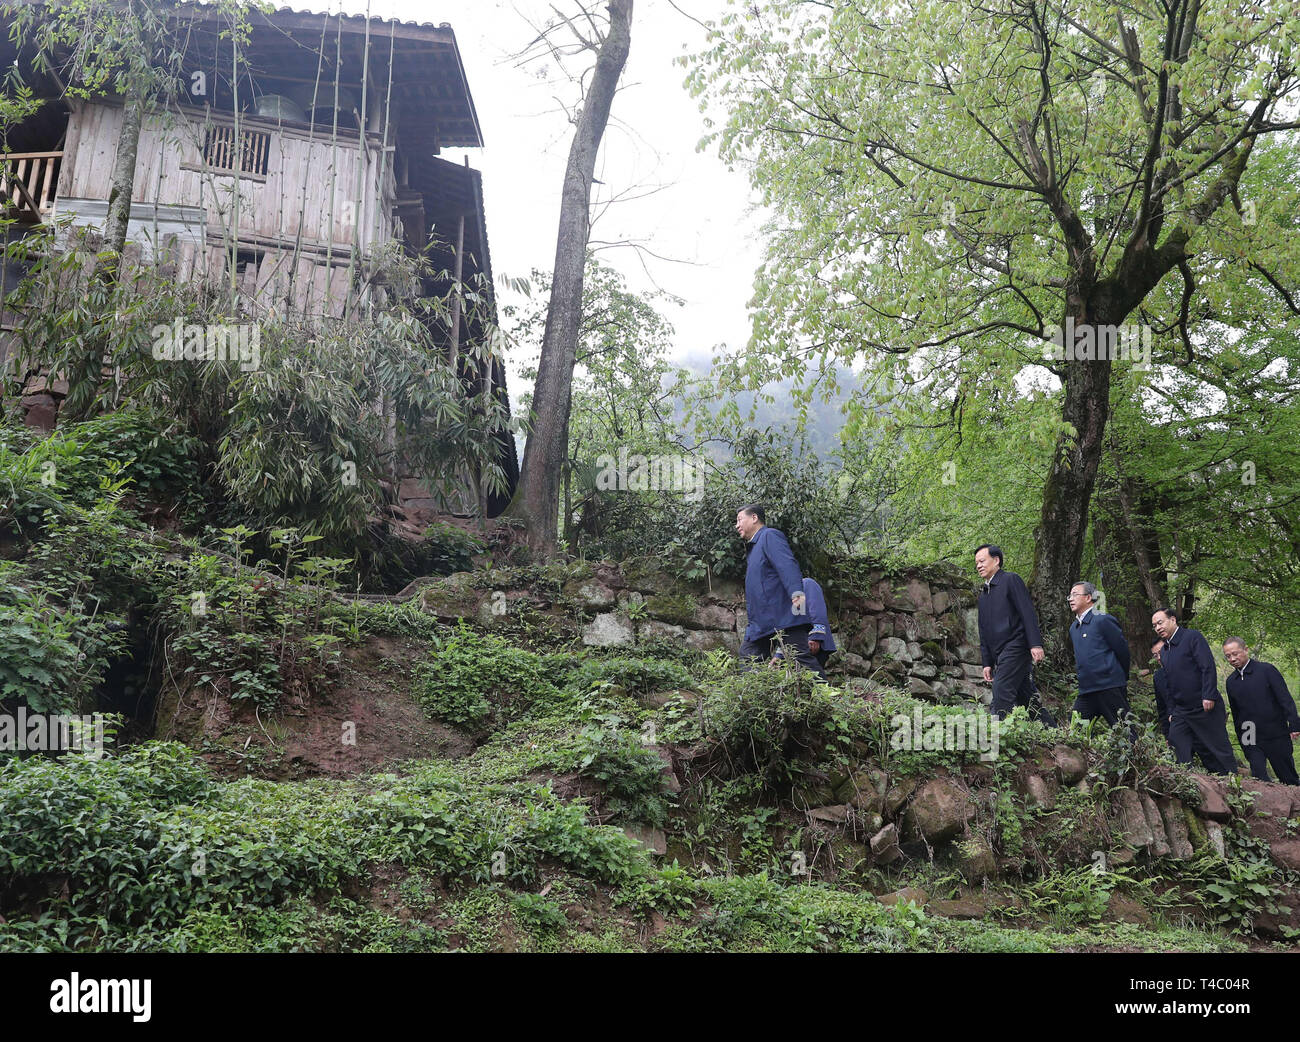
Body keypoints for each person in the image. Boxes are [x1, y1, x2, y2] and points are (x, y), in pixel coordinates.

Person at [975, 544, 1056, 725]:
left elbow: (1027, 612)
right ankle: (1053, 731)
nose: (978, 566)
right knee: (1026, 698)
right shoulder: (984, 594)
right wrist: (987, 662)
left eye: (982, 561)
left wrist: (1035, 643)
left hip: (1017, 645)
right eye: (976, 563)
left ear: (996, 561)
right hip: (999, 652)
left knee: (1001, 688)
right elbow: (983, 630)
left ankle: (999, 735)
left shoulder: (1011, 580)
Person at [735, 505, 821, 673]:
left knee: (800, 658)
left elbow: (787, 565)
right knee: (748, 660)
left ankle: (825, 696)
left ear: (754, 518)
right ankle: (756, 698)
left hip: (784, 615)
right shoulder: (753, 548)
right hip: (760, 622)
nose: (737, 525)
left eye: (739, 520)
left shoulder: (769, 536)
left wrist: (798, 596)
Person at [1151, 608, 1237, 775]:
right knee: (1177, 741)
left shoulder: (1192, 637)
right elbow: (1169, 684)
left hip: (1203, 705)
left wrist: (1208, 695)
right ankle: (1187, 781)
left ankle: (1232, 783)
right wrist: (1172, 711)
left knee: (1217, 747)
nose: (1157, 627)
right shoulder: (1165, 651)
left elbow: (1207, 666)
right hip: (1181, 711)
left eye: (1160, 622)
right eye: (1154, 626)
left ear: (1173, 620)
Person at [1222, 638, 1300, 785]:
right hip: (1249, 734)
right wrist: (1242, 739)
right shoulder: (1231, 681)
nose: (1232, 659)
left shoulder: (1266, 670)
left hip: (1275, 732)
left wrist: (1295, 724)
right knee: (1259, 778)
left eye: (1235, 653)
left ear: (1246, 650)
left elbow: (1285, 699)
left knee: (1288, 777)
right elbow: (1236, 712)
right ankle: (1269, 807)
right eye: (1228, 656)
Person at [1066, 581, 1133, 729]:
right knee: (1074, 731)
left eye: (1075, 595)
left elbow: (1122, 651)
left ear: (1088, 597)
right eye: (1069, 596)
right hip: (1086, 690)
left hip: (1109, 686)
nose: (1070, 599)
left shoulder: (1103, 620)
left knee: (1125, 732)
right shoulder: (1073, 627)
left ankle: (1135, 752)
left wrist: (1120, 677)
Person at [772, 576, 836, 676]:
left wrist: (815, 637)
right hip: (795, 647)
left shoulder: (806, 584)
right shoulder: (784, 598)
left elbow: (817, 610)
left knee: (814, 677)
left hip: (811, 642)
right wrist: (778, 655)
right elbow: (787, 631)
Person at [1148, 639, 1173, 744]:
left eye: (1161, 652)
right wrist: (1167, 735)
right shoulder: (1158, 677)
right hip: (1175, 726)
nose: (1159, 657)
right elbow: (1162, 709)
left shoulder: (1185, 666)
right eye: (1155, 655)